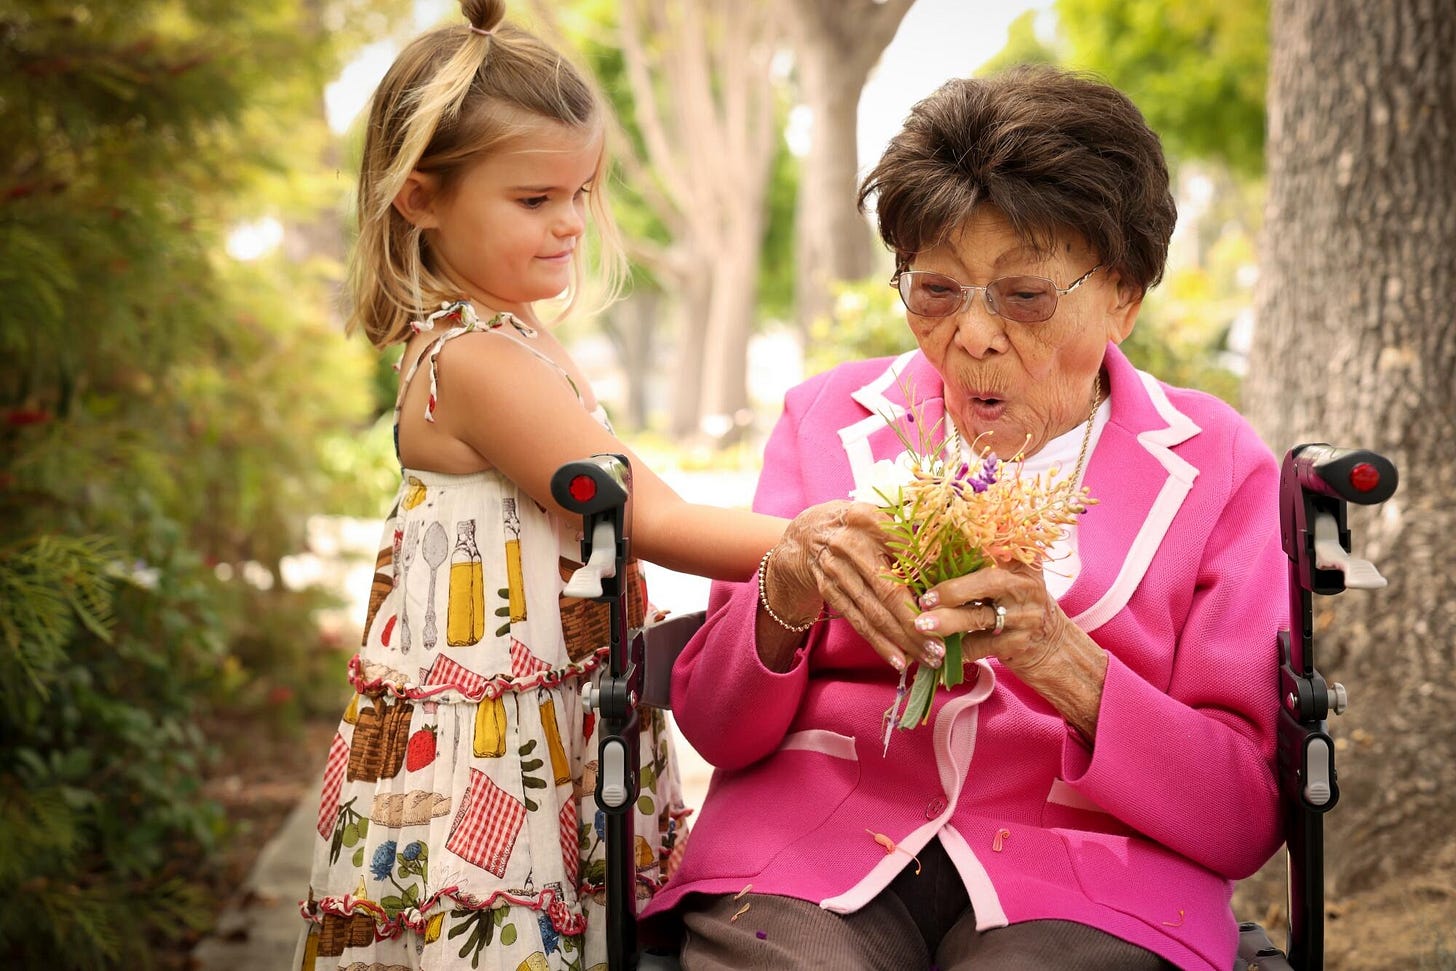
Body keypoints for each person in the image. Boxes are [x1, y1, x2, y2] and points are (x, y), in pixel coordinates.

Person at [290, 3, 929, 968]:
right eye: (535, 198)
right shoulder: (477, 360)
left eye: (582, 191)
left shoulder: (509, 336)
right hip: (488, 759)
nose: (572, 223)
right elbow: (651, 514)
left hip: (541, 721)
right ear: (419, 197)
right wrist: (831, 538)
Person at [640, 66, 1287, 971]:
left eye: (1024, 296)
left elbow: (1243, 814)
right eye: (936, 290)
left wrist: (1063, 662)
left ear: (1126, 295)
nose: (973, 336)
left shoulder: (1216, 463)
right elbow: (716, 726)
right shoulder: (828, 418)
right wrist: (785, 585)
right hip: (807, 857)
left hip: (1092, 881)